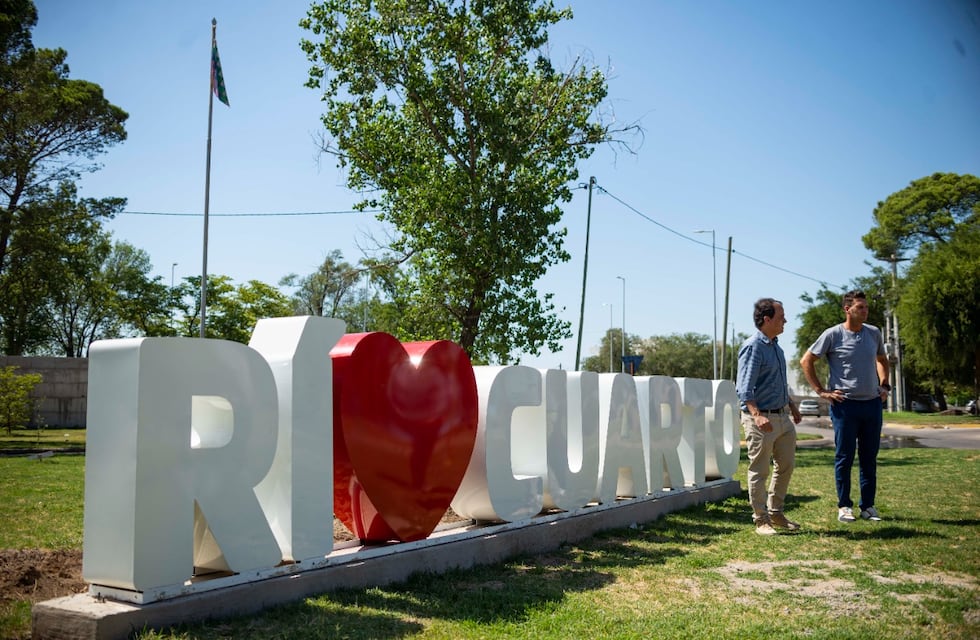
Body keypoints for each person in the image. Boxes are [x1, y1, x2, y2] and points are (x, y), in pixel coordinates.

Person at [800, 290, 890, 523]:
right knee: (845, 457)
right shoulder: (833, 334)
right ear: (847, 309)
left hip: (872, 405)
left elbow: (882, 360)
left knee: (869, 458)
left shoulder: (874, 333)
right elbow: (806, 360)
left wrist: (884, 385)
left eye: (866, 307)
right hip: (845, 406)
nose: (865, 311)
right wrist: (821, 391)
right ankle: (844, 506)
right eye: (860, 307)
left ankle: (868, 507)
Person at [736, 298, 803, 535]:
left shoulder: (776, 347)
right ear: (767, 319)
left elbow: (778, 383)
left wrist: (792, 406)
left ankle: (776, 513)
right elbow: (744, 388)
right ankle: (761, 520)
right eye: (781, 317)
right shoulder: (753, 346)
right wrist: (756, 415)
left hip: (782, 417)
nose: (785, 321)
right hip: (760, 419)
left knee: (786, 466)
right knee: (759, 470)